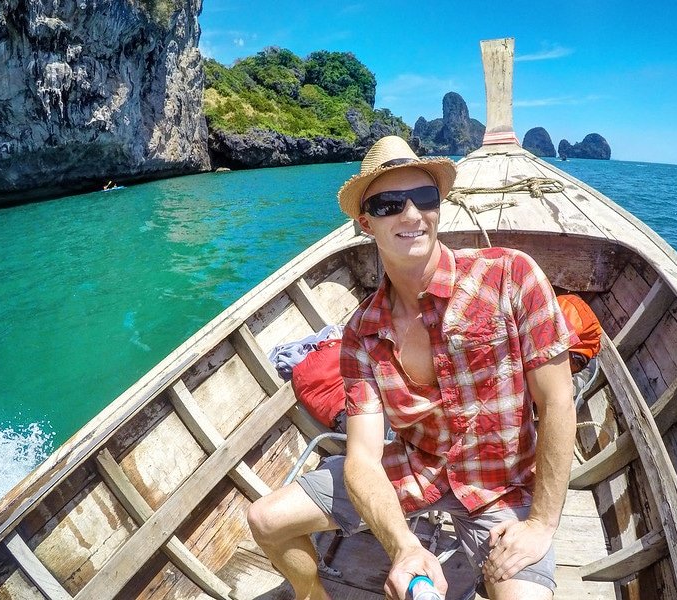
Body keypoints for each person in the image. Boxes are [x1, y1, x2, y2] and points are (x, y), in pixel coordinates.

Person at [247, 136, 578, 600]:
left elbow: (558, 401)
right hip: (411, 469)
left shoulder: (511, 276)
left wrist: (542, 523)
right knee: (266, 520)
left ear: (439, 206)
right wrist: (403, 548)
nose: (410, 214)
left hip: (502, 484)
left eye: (423, 198)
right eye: (387, 204)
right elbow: (363, 456)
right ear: (365, 223)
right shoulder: (362, 332)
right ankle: (312, 595)